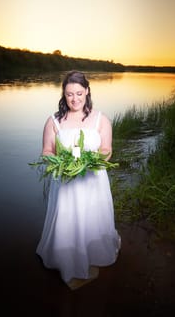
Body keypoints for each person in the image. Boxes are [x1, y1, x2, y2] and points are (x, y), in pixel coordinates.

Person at [36, 70, 121, 289]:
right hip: (65, 183)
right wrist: (61, 163)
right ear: (64, 95)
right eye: (69, 94)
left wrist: (91, 160)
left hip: (94, 181)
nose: (75, 99)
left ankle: (92, 254)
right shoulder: (53, 121)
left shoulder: (101, 119)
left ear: (87, 92)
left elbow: (107, 149)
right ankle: (67, 260)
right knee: (68, 219)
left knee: (92, 217)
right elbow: (46, 150)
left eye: (79, 94)